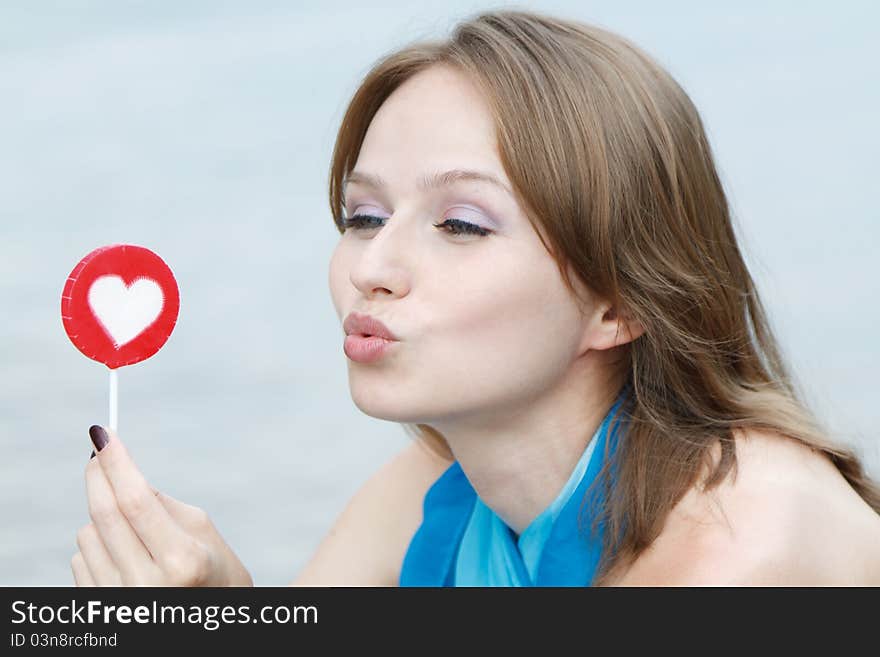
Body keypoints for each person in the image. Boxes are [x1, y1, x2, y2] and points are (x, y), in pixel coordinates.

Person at [71, 9, 880, 587]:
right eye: (364, 215)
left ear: (619, 303)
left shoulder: (742, 546)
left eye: (459, 224)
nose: (372, 267)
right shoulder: (435, 486)